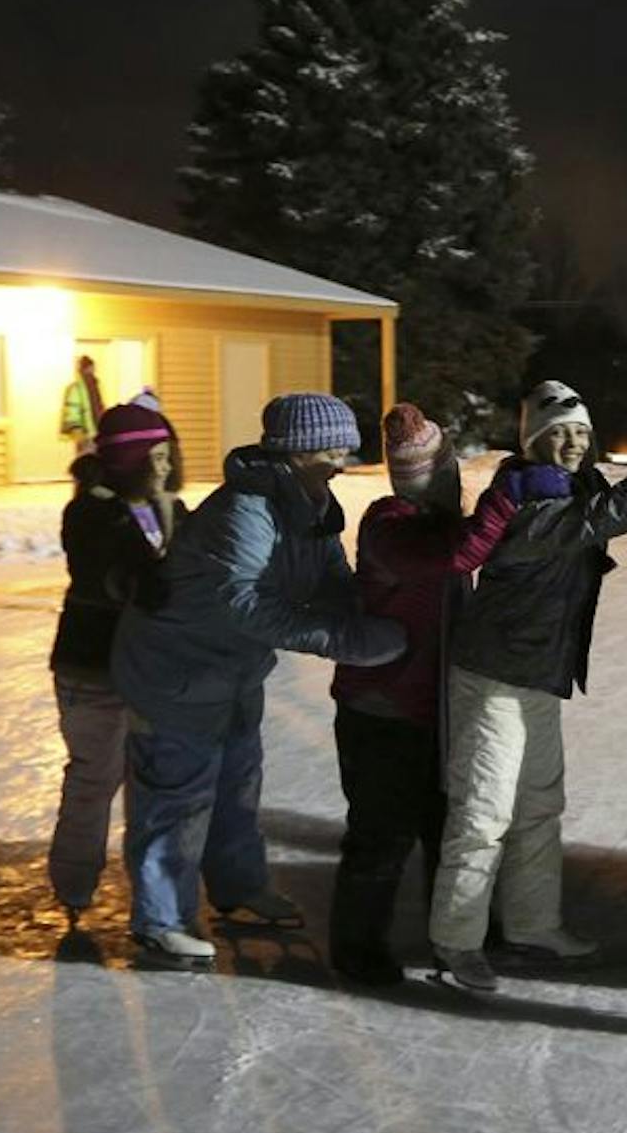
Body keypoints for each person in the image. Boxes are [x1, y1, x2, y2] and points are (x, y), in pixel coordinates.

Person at [428, 381, 627, 993]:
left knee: (539, 805)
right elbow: (606, 518)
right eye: (557, 432)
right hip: (493, 673)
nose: (572, 442)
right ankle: (456, 940)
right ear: (534, 440)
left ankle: (531, 924)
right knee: (484, 812)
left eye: (579, 431)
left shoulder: (577, 488)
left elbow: (618, 504)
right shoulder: (530, 502)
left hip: (539, 672)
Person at [111, 392, 406, 970]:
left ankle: (239, 890)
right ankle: (160, 922)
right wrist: (339, 639)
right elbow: (242, 603)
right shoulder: (243, 511)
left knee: (236, 787)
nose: (341, 463)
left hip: (234, 672)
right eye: (330, 450)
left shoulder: (311, 507)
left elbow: (330, 580)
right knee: (176, 798)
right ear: (292, 453)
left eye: (345, 449)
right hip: (174, 674)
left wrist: (373, 614)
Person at [327, 404, 517, 986]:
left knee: (448, 825)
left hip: (434, 709)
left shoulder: (438, 526)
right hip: (381, 711)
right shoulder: (389, 524)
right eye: (445, 470)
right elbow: (455, 557)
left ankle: (457, 935)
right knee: (381, 837)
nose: (456, 479)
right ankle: (357, 950)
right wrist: (505, 500)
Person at [44, 404, 186, 922]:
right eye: (157, 456)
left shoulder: (166, 506)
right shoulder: (91, 513)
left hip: (150, 671)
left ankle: (154, 897)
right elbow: (132, 580)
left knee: (154, 781)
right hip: (93, 670)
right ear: (130, 461)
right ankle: (75, 879)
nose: (167, 467)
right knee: (95, 776)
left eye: (171, 455)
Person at [60, 356, 103, 456]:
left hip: (97, 434)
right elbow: (71, 411)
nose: (91, 371)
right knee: (86, 461)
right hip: (86, 434)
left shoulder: (95, 386)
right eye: (89, 368)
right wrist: (77, 431)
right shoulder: (76, 388)